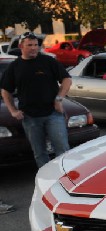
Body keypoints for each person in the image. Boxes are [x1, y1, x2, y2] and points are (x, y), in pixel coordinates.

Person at [1, 32, 72, 168]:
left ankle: (66, 179)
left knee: (63, 150)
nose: (34, 48)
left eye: (36, 45)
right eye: (30, 45)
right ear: (21, 46)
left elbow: (67, 79)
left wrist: (59, 98)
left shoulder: (48, 61)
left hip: (53, 114)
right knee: (40, 153)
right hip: (30, 117)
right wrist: (13, 111)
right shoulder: (14, 67)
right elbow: (5, 90)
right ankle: (46, 183)